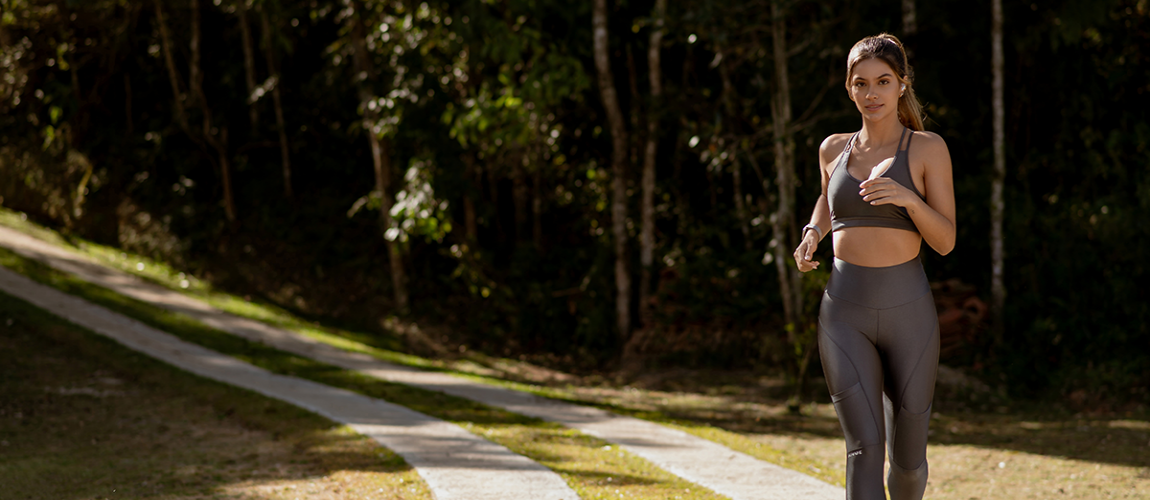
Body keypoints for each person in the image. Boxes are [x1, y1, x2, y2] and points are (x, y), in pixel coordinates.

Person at [792, 33, 956, 500]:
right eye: (860, 83)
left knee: (907, 464)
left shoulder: (926, 149)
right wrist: (811, 233)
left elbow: (945, 241)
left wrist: (907, 198)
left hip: (911, 315)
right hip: (844, 312)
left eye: (883, 81)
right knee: (864, 448)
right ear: (849, 89)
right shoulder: (833, 149)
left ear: (902, 84)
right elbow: (828, 202)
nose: (871, 93)